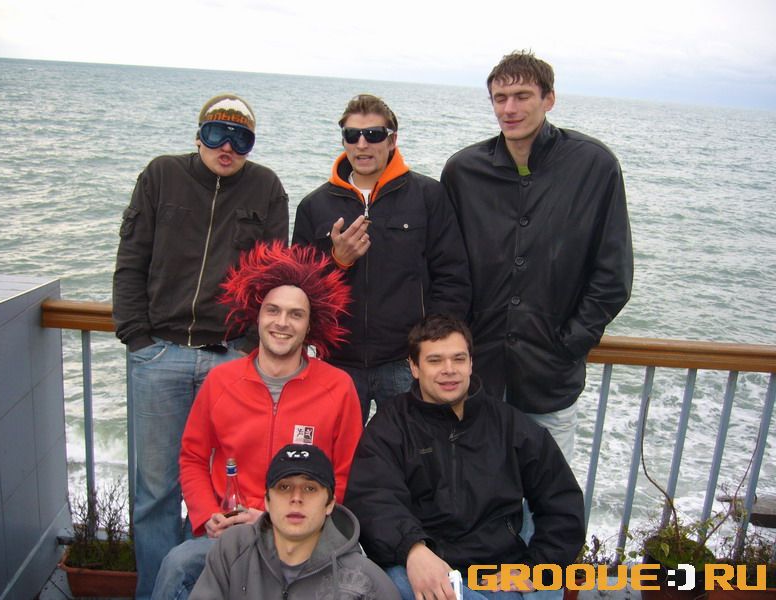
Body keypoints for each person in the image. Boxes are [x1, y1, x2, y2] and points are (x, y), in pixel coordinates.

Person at [112, 93, 289, 598]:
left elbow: (274, 275)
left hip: (229, 360)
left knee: (226, 487)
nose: (226, 147)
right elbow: (131, 258)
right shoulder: (161, 175)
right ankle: (157, 592)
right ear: (198, 135)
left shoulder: (266, 187)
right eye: (216, 134)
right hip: (158, 355)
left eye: (241, 139)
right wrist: (137, 337)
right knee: (155, 493)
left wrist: (248, 347)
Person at [440, 51, 633, 460]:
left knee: (548, 493)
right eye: (500, 98)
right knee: (475, 489)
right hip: (477, 375)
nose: (509, 109)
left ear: (549, 99)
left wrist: (569, 344)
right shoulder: (462, 172)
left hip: (549, 380)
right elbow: (445, 266)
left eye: (522, 96)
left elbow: (613, 274)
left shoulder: (594, 166)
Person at [150, 241, 364, 600]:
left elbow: (347, 475)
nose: (282, 323)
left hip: (306, 535)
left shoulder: (338, 387)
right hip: (229, 532)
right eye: (272, 310)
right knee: (176, 565)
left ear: (310, 325)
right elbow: (193, 458)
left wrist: (275, 520)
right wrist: (206, 516)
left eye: (296, 314)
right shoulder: (221, 381)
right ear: (257, 315)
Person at [344, 314, 585, 600]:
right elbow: (373, 499)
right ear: (414, 367)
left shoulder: (510, 426)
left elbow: (562, 501)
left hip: (497, 571)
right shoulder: (391, 425)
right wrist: (413, 548)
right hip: (422, 566)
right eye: (435, 360)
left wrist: (536, 568)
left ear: (471, 363)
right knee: (392, 584)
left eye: (458, 359)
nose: (449, 370)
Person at [292, 93, 471, 423]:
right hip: (337, 362)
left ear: (392, 140)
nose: (362, 144)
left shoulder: (428, 196)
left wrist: (431, 345)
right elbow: (298, 290)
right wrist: (338, 261)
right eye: (352, 135)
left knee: (414, 450)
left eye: (373, 134)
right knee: (338, 453)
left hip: (405, 362)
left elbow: (452, 276)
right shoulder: (314, 206)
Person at [189, 443, 400, 599]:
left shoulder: (365, 583)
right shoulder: (233, 550)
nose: (296, 498)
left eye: (310, 488)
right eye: (284, 487)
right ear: (267, 501)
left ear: (329, 504)